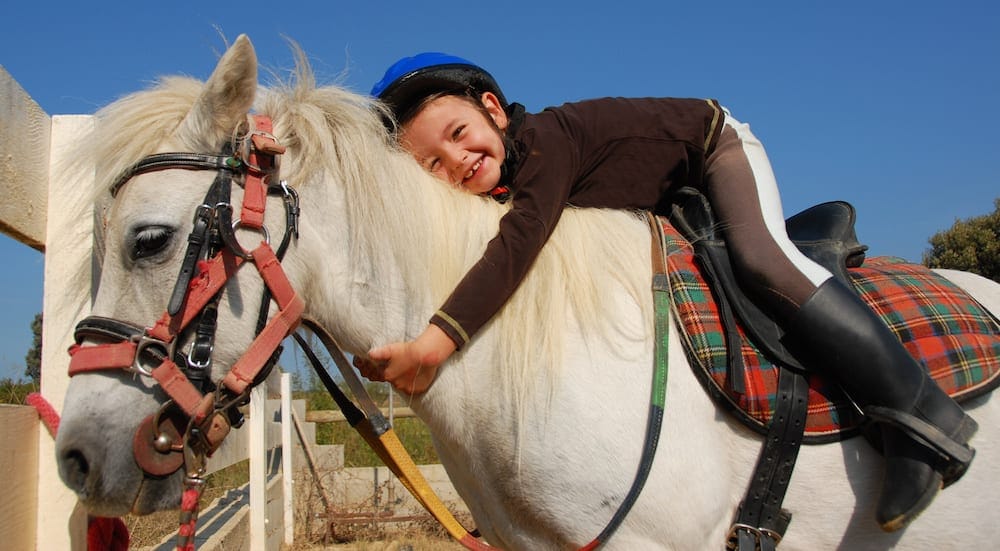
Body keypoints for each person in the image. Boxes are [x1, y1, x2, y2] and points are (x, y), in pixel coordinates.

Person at [358, 52, 977, 531]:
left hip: (714, 146)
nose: (455, 159)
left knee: (764, 262)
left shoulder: (544, 145)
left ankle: (922, 416)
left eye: (458, 131)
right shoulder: (509, 178)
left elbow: (518, 245)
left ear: (493, 108)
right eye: (432, 165)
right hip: (661, 194)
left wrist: (436, 343)